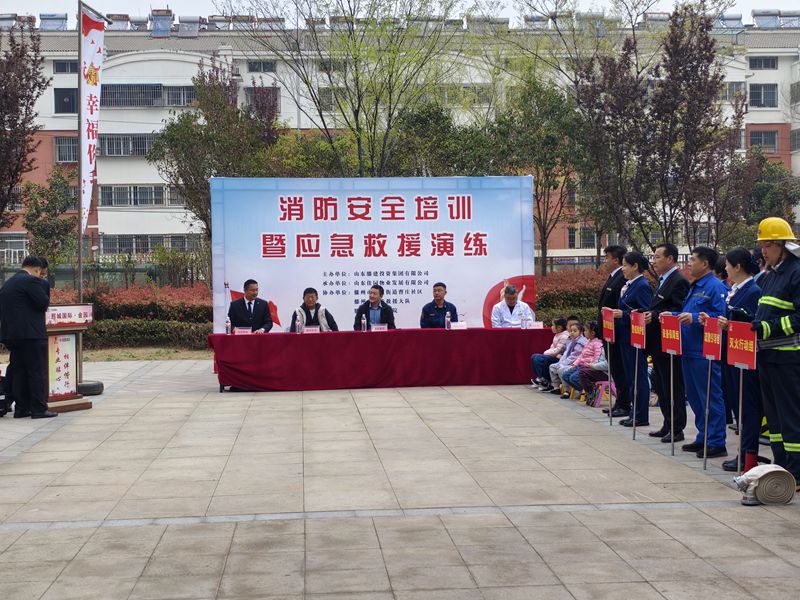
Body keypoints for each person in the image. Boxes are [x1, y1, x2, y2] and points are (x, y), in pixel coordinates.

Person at [701, 247, 763, 472]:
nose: (725, 268)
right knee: (738, 407)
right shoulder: (735, 290)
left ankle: (748, 455)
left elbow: (754, 322)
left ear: (738, 267)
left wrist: (731, 324)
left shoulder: (753, 291)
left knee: (748, 409)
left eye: (727, 264)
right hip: (732, 354)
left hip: (745, 359)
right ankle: (743, 452)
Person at [663, 246, 728, 459]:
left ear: (705, 263)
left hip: (704, 350)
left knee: (710, 396)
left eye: (692, 259)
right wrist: (673, 315)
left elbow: (720, 317)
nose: (688, 263)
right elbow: (689, 313)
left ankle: (716, 441)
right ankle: (703, 436)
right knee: (695, 397)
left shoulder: (715, 287)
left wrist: (695, 319)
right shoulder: (696, 285)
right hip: (689, 349)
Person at [751, 217, 800, 491]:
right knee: (775, 420)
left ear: (782, 244)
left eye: (767, 246)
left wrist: (767, 328)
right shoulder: (772, 274)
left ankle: (797, 471)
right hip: (768, 357)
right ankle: (781, 465)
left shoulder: (796, 272)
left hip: (788, 358)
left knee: (790, 417)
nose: (763, 251)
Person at [0, 256, 56, 419]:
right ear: (37, 269)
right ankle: (39, 409)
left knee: (19, 371)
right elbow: (43, 303)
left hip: (12, 335)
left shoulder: (9, 283)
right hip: (31, 335)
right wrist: (43, 283)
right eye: (41, 274)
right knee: (36, 371)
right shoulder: (31, 281)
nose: (40, 277)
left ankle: (21, 408)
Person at [645, 243, 690, 443]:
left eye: (657, 257)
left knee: (673, 386)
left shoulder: (679, 281)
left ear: (670, 259)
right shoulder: (663, 279)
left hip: (669, 342)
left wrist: (655, 315)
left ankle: (677, 428)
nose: (654, 261)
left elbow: (678, 309)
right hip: (657, 343)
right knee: (661, 385)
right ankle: (667, 423)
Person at [613, 251, 654, 427]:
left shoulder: (642, 286)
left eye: (625, 265)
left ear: (635, 266)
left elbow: (645, 311)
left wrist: (623, 314)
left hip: (634, 337)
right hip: (625, 337)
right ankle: (634, 412)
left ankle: (640, 415)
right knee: (630, 376)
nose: (622, 269)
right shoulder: (630, 285)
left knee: (638, 376)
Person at [598, 245, 631, 418]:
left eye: (607, 258)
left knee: (620, 369)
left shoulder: (621, 279)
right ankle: (620, 401)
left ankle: (624, 404)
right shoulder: (613, 277)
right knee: (615, 369)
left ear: (616, 260)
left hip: (616, 332)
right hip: (608, 331)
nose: (604, 261)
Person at [560, 321, 603, 399]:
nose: (584, 332)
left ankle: (590, 390)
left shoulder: (597, 343)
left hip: (587, 367)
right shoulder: (588, 341)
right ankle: (586, 390)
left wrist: (592, 364)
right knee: (565, 375)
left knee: (573, 378)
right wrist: (575, 364)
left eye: (585, 330)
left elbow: (597, 357)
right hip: (580, 365)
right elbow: (581, 355)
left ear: (593, 333)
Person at [543, 321, 586, 394]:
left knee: (561, 370)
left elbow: (573, 357)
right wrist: (560, 362)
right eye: (571, 331)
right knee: (552, 367)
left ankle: (567, 390)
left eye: (575, 331)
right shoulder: (571, 340)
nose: (572, 332)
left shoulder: (580, 343)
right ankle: (556, 387)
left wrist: (563, 364)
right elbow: (566, 354)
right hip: (566, 362)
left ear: (580, 332)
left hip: (574, 364)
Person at [531, 317, 568, 389]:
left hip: (559, 358)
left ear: (559, 327)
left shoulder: (564, 336)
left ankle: (545, 380)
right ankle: (541, 378)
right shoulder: (557, 335)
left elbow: (557, 350)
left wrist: (545, 353)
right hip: (554, 356)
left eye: (553, 325)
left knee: (538, 358)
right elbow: (552, 348)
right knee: (534, 356)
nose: (551, 327)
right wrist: (546, 353)